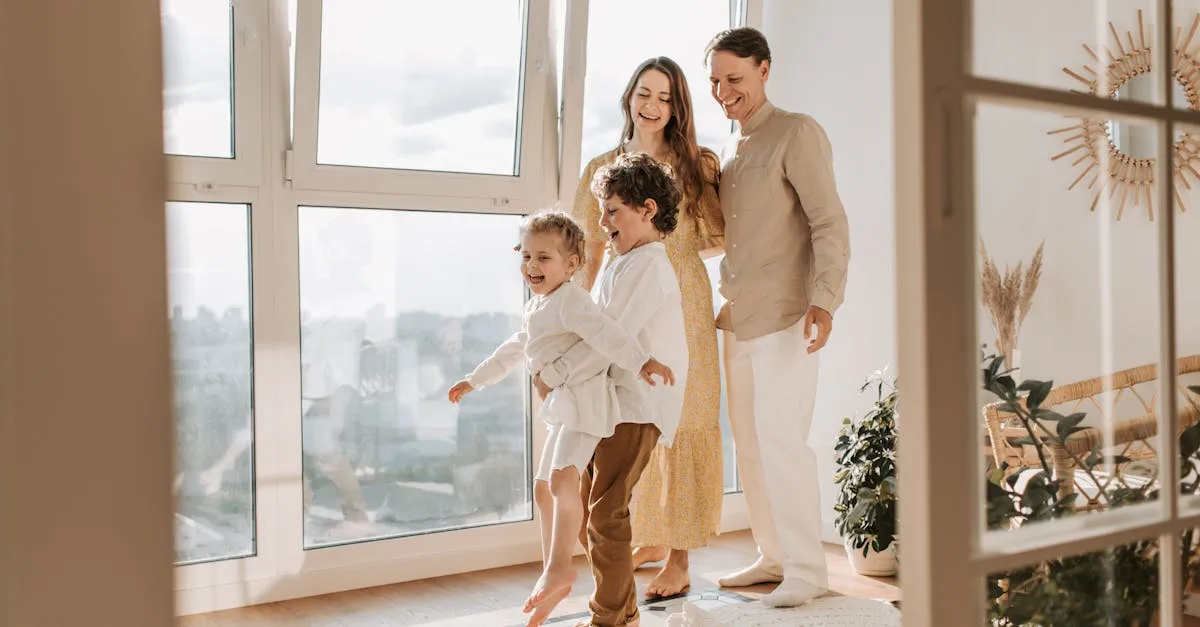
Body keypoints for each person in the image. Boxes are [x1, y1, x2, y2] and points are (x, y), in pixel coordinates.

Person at [446, 211, 675, 627]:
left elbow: (608, 335)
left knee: (562, 481)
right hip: (564, 408)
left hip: (586, 407)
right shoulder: (540, 304)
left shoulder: (571, 300)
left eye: (544, 258)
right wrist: (474, 380)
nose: (532, 266)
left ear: (571, 264)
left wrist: (642, 362)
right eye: (527, 256)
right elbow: (516, 347)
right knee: (541, 488)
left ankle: (559, 569)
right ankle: (553, 570)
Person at [705, 27, 851, 608]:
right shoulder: (733, 155)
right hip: (737, 318)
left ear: (765, 69)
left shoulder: (797, 133)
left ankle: (808, 570)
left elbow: (828, 223)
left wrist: (826, 299)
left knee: (783, 441)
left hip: (788, 315)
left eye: (734, 79)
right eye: (715, 81)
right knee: (751, 444)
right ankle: (773, 555)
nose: (723, 91)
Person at [572, 57, 725, 598]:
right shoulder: (602, 167)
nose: (652, 106)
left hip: (684, 301)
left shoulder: (697, 165)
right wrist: (581, 316)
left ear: (677, 107)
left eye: (664, 97)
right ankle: (654, 537)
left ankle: (679, 559)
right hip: (626, 301)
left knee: (683, 419)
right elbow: (590, 250)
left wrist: (678, 252)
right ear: (629, 97)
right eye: (644, 93)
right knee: (634, 420)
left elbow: (722, 235)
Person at [537, 152, 690, 627]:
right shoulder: (621, 264)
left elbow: (611, 338)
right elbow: (592, 331)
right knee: (585, 507)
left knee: (606, 513)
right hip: (608, 402)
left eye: (612, 210)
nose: (602, 221)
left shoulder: (648, 267)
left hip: (637, 405)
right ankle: (622, 610)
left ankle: (609, 617)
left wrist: (557, 373)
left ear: (646, 210)